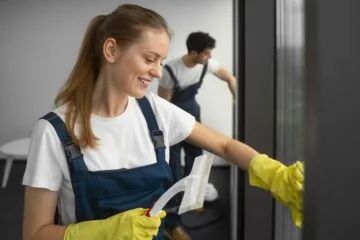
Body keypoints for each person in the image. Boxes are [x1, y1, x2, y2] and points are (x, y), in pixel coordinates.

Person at [22, 4, 304, 240]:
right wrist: (104, 231)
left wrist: (274, 174)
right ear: (111, 51)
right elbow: (35, 233)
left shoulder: (155, 111)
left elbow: (224, 145)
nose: (158, 73)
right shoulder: (54, 131)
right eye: (150, 59)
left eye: (162, 61)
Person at [157, 31, 236, 239]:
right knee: (173, 164)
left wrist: (237, 96)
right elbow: (163, 104)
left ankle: (192, 201)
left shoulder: (207, 64)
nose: (209, 58)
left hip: (193, 118)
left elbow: (229, 77)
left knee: (196, 160)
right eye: (206, 54)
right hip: (173, 121)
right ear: (193, 52)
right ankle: (172, 219)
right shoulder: (170, 70)